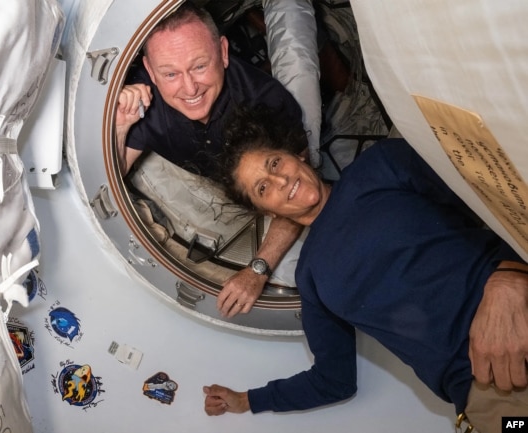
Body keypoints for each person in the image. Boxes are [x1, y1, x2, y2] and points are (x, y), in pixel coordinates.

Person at [202, 107, 528, 433]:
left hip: (517, 309)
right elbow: (334, 380)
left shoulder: (380, 165)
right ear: (266, 211)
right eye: (263, 188)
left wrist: (510, 276)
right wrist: (247, 400)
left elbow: (496, 195)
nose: (280, 180)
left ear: (297, 155)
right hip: (491, 390)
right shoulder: (311, 278)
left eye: (275, 163)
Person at [115, 1, 309, 317]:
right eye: (170, 73)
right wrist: (122, 124)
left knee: (299, 66)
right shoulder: (143, 100)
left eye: (200, 66)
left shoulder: (267, 103)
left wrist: (257, 270)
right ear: (150, 70)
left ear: (222, 51)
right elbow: (112, 174)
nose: (189, 87)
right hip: (209, 180)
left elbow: (301, 192)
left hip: (265, 185)